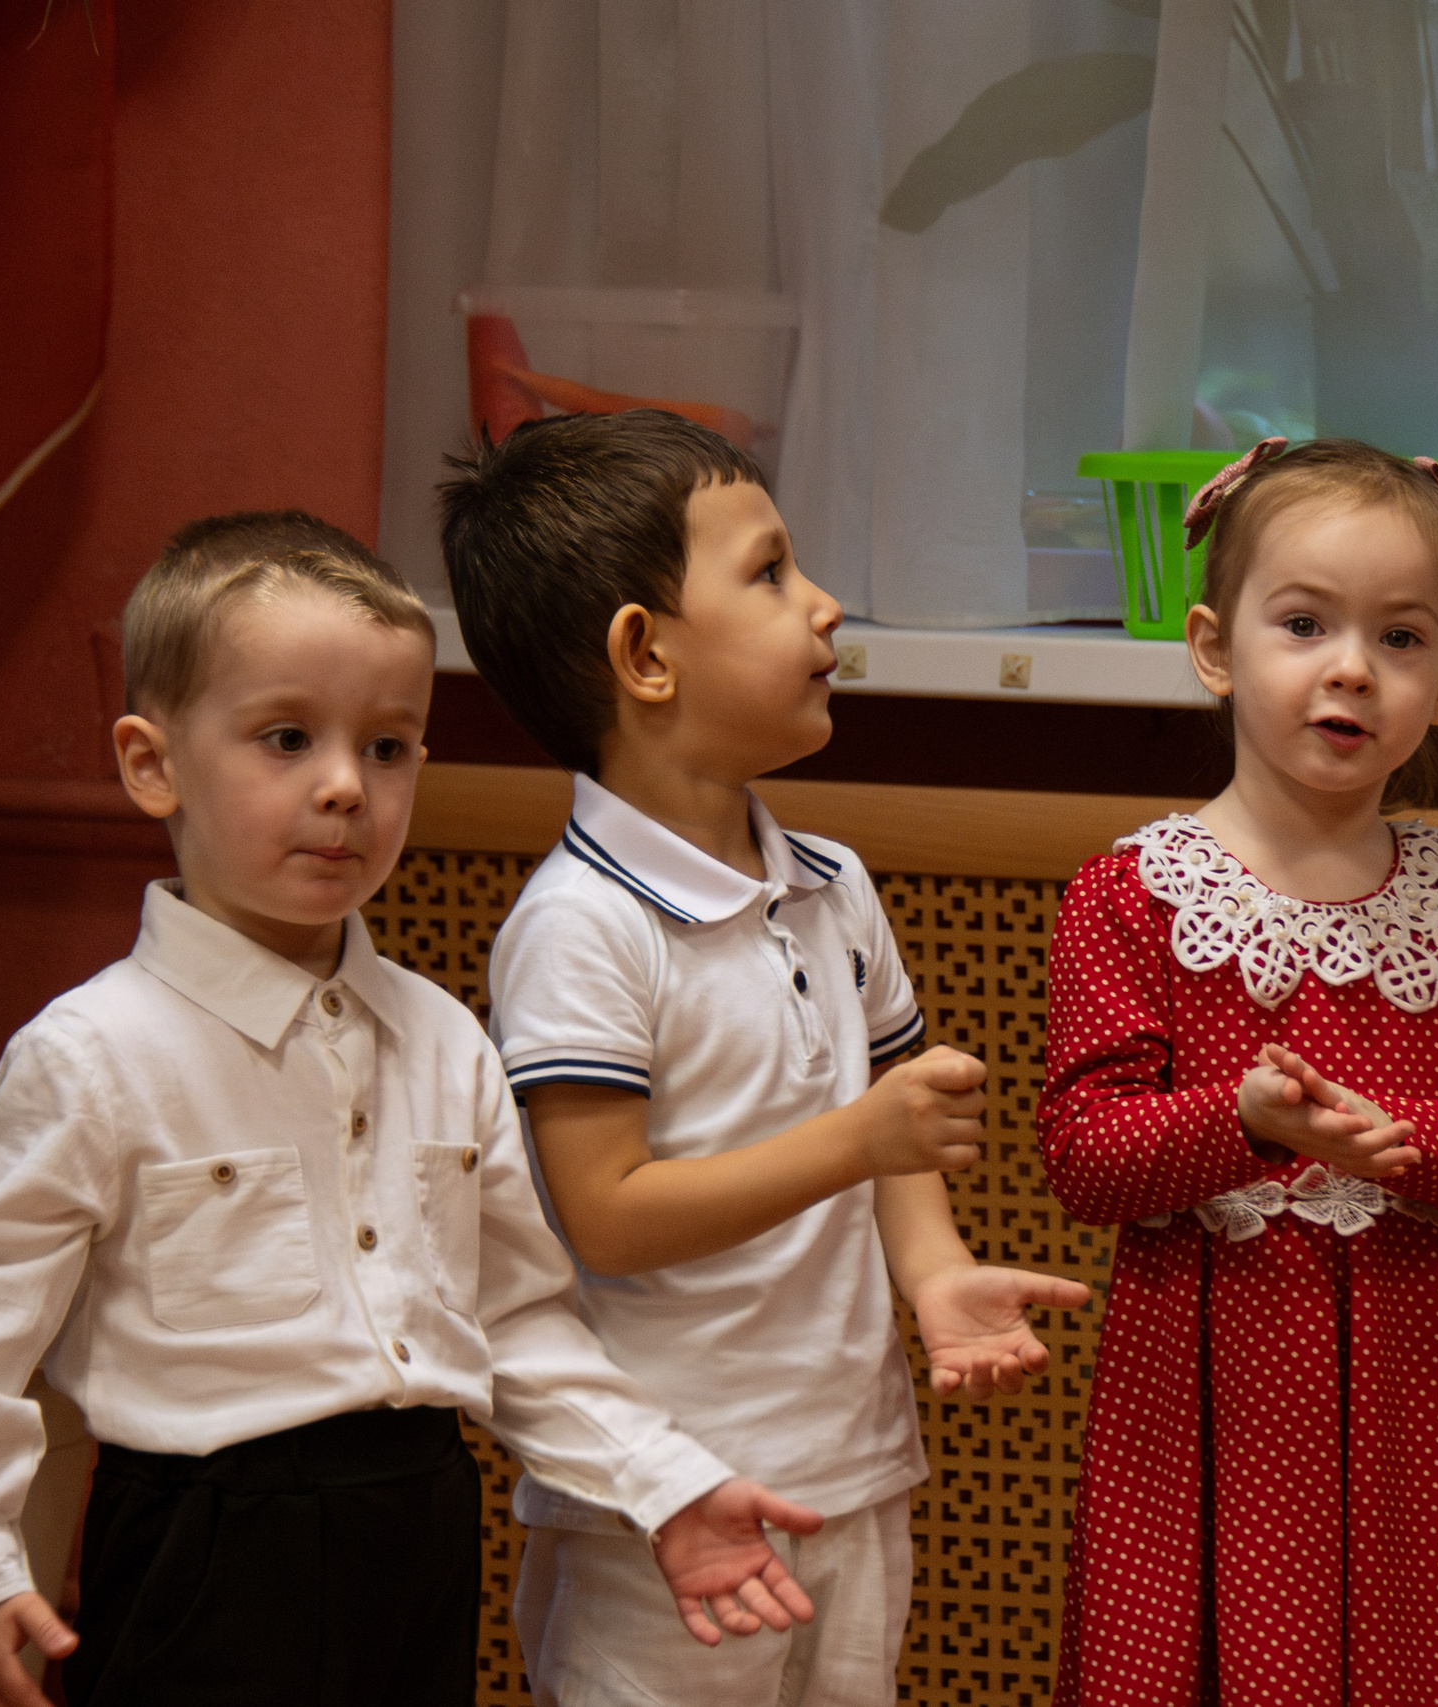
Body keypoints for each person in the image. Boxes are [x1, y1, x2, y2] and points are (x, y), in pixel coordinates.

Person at [0, 513, 825, 1707]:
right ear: (152, 764)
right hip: (206, 1552)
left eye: (387, 748)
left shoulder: (444, 1038)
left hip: (420, 1530)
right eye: (286, 738)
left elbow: (519, 1321)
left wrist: (665, 1485)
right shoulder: (90, 1054)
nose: (345, 786)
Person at [438, 410, 1088, 1707]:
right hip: (663, 1497)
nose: (827, 605)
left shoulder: (832, 883)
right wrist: (857, 1140)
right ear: (645, 653)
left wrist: (938, 1267)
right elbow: (609, 1217)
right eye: (771, 572)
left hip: (852, 1465)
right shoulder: (582, 925)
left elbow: (886, 1132)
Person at [1036, 438, 1438, 1706]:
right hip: (1201, 1395)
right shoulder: (1129, 899)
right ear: (1216, 648)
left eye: (1401, 639)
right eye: (1303, 623)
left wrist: (1402, 1144)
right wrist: (1246, 1120)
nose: (1350, 667)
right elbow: (1084, 1154)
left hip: (1414, 1388)